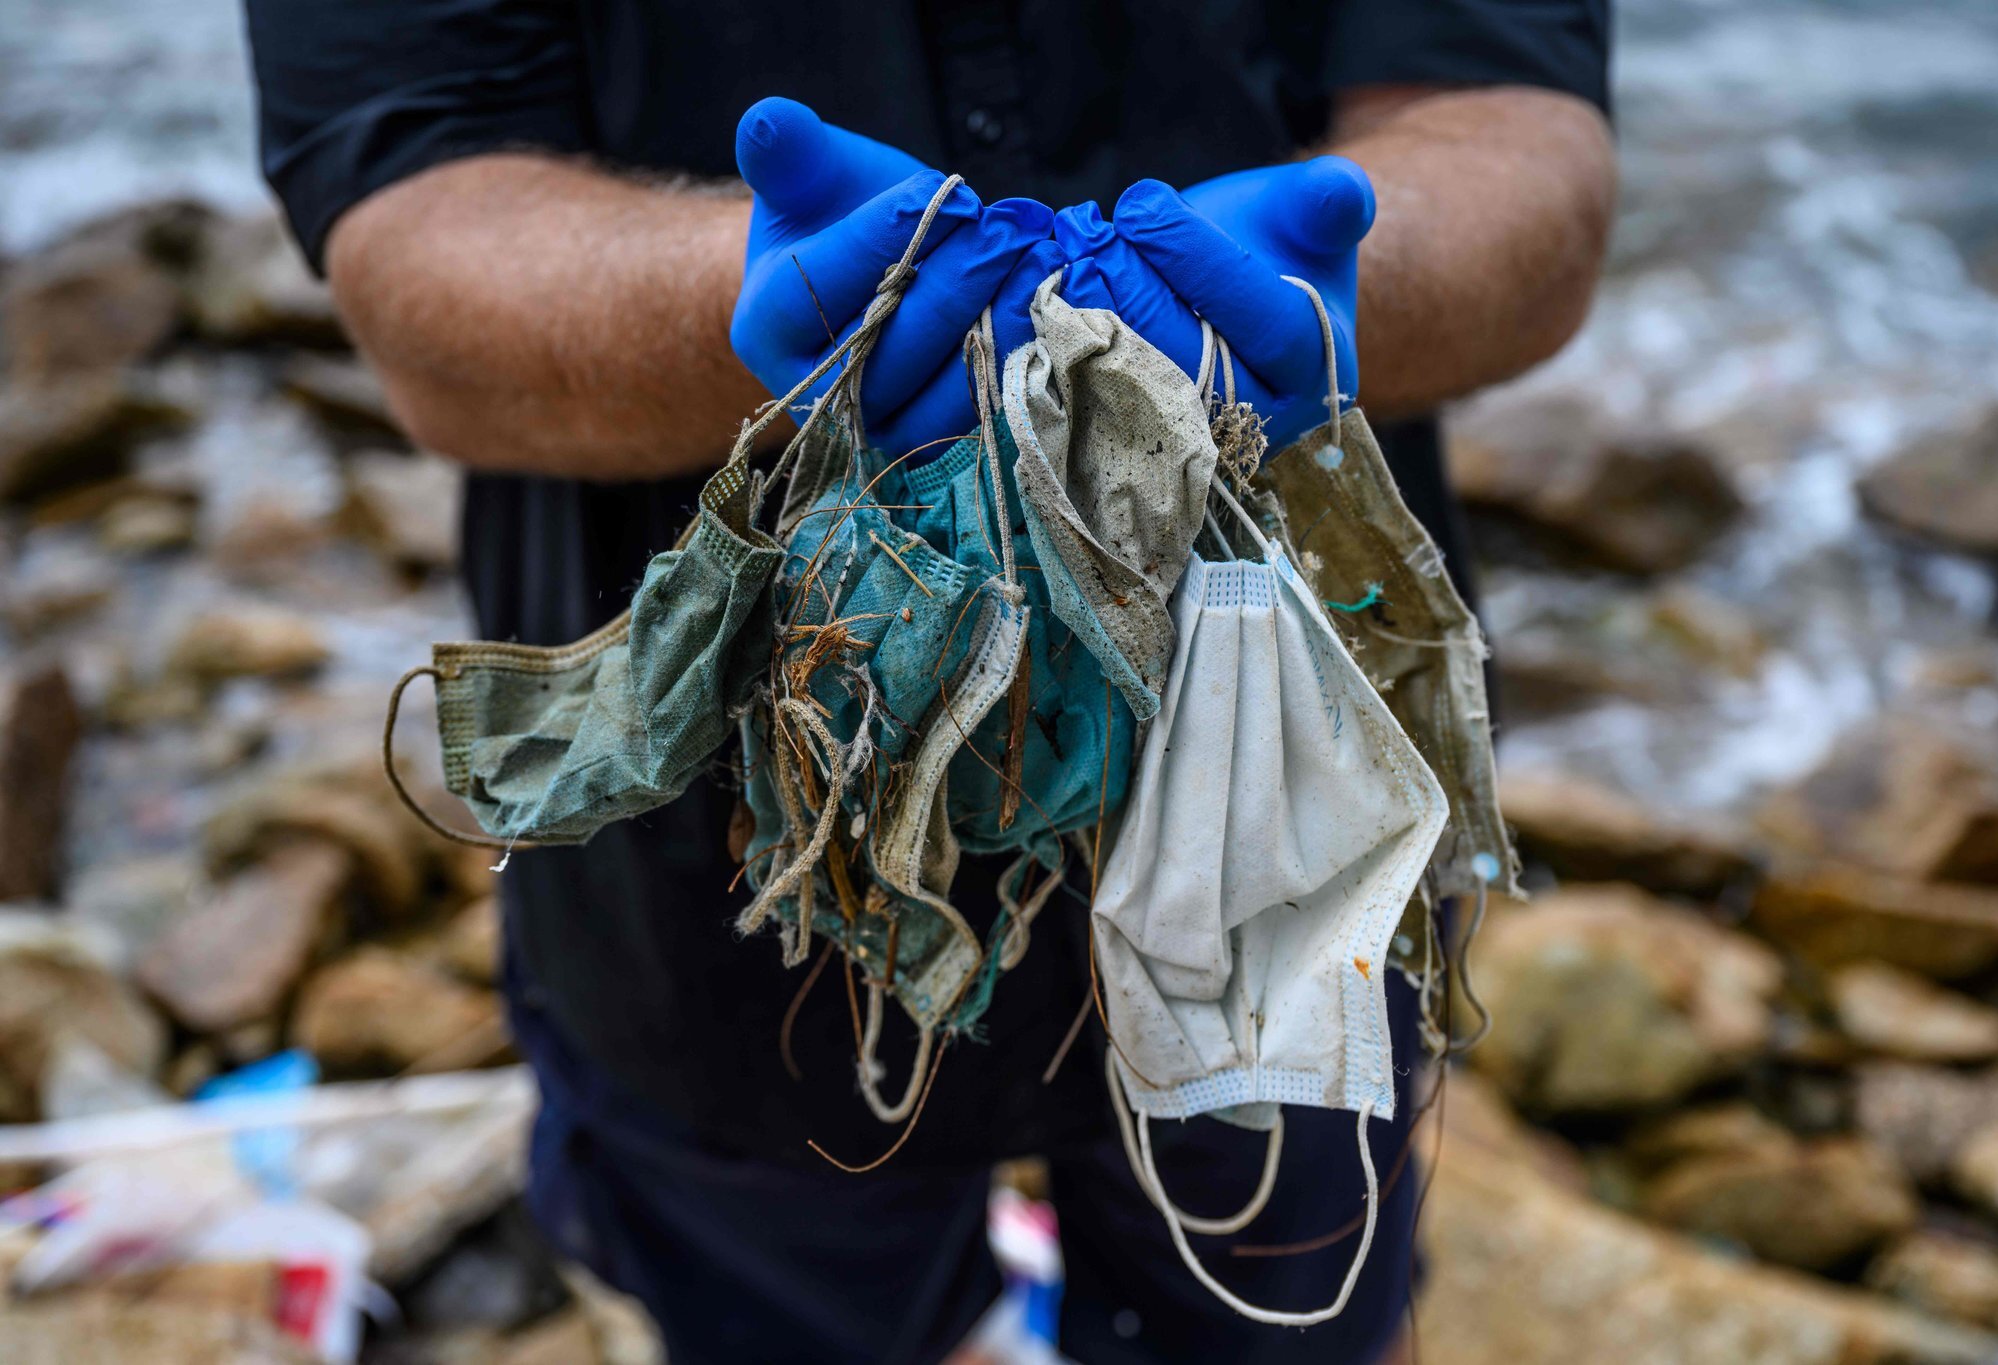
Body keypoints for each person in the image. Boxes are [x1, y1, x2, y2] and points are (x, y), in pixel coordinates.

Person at [245, 4, 1613, 1361]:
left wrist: (1368, 267)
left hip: (1288, 804)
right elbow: (415, 217)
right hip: (725, 876)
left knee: (1291, 1316)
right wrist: (731, 311)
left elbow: (1517, 138)